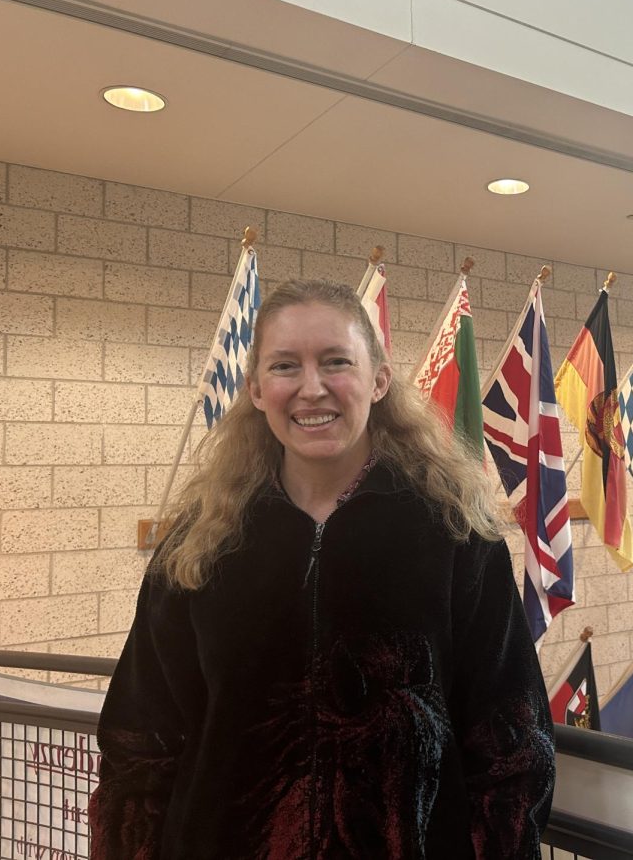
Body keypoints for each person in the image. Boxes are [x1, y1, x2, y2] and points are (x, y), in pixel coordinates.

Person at [89, 279, 555, 859]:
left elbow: (511, 741)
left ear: (378, 381)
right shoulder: (198, 546)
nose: (312, 389)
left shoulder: (455, 537)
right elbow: (141, 740)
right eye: (285, 366)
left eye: (336, 362)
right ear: (257, 389)